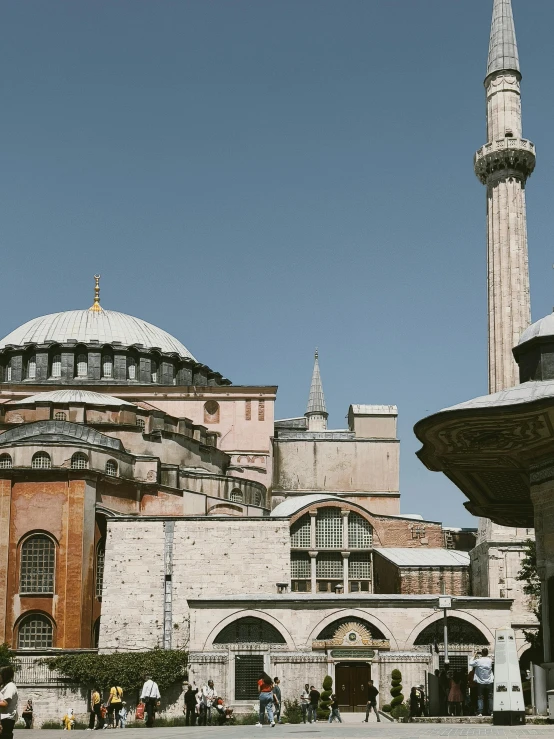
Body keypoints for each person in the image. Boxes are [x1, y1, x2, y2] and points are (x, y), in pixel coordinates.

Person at [469, 648, 494, 717]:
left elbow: (470, 663)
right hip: (489, 682)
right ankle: (491, 712)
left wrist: (474, 655)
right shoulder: (490, 660)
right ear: (487, 653)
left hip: (480, 682)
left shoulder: (478, 661)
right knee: (490, 697)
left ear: (482, 653)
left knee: (480, 697)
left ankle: (480, 712)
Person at [0, 665, 19, 739]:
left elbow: (5, 703)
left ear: (4, 676)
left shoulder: (10, 686)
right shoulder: (3, 686)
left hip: (6, 719)